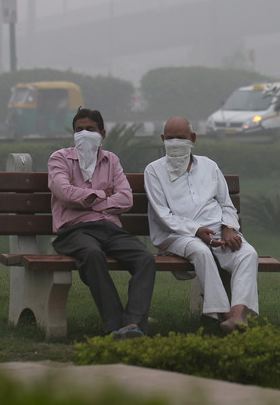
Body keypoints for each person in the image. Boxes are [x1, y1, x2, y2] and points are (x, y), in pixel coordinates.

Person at [144, 116, 259, 333]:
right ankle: (225, 316)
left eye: (181, 137)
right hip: (177, 235)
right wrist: (196, 230)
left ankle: (237, 316)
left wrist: (228, 228)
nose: (176, 142)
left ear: (193, 138)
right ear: (163, 139)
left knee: (248, 253)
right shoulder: (153, 170)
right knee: (201, 252)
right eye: (171, 138)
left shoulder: (209, 166)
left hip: (216, 230)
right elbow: (162, 215)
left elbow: (226, 205)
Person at [47, 108, 156, 340]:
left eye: (90, 129)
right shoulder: (60, 158)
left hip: (109, 229)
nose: (84, 134)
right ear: (73, 134)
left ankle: (133, 323)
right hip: (74, 231)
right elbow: (64, 192)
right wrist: (104, 195)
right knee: (92, 254)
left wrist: (88, 199)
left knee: (145, 258)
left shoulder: (111, 160)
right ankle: (115, 325)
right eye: (79, 130)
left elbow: (126, 198)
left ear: (102, 133)